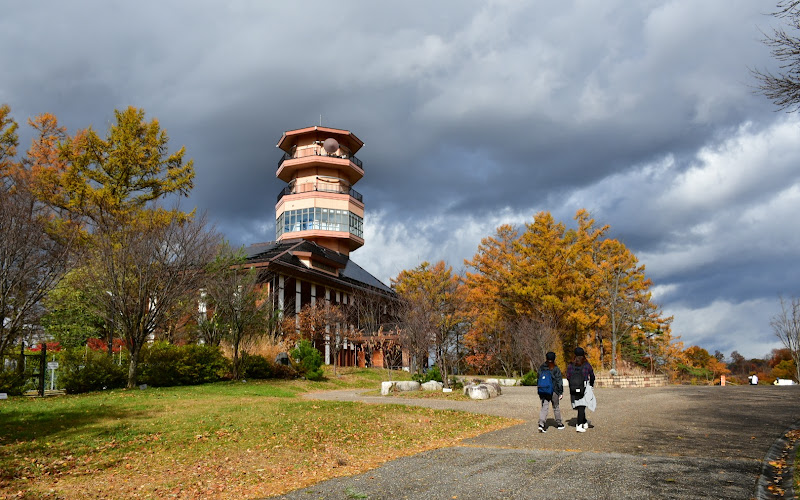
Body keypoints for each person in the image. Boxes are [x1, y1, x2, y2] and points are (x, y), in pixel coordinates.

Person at [566, 347, 596, 433]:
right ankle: (579, 425)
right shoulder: (586, 365)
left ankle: (584, 421)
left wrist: (573, 384)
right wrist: (591, 385)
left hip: (573, 387)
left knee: (579, 405)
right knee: (582, 406)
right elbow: (592, 376)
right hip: (584, 386)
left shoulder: (570, 365)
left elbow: (568, 377)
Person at [537, 351, 564, 433]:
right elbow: (559, 381)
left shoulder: (541, 367)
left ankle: (541, 423)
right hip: (554, 391)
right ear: (554, 359)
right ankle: (559, 423)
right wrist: (560, 392)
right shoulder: (555, 368)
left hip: (544, 390)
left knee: (544, 407)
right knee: (556, 407)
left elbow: (538, 378)